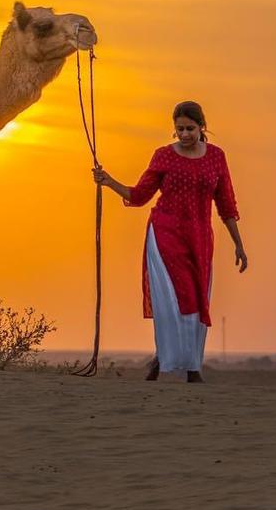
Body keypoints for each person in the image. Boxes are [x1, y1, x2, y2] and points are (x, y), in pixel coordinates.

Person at [93, 101, 247, 383]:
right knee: (174, 300)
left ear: (202, 127)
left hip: (200, 239)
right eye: (180, 129)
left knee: (198, 299)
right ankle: (174, 364)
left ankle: (187, 364)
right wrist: (108, 181)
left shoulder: (216, 157)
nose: (185, 134)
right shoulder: (163, 156)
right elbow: (139, 195)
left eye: (190, 128)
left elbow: (227, 205)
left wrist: (239, 244)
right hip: (165, 235)